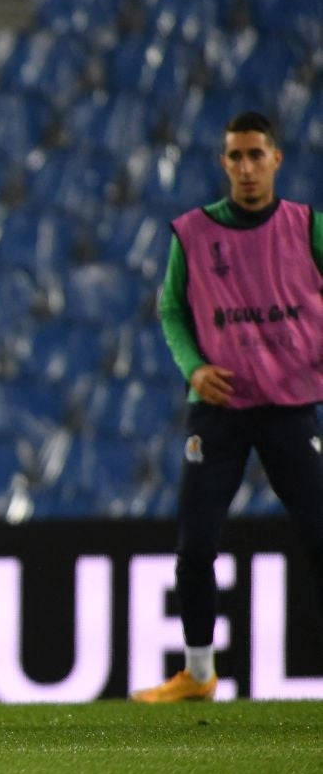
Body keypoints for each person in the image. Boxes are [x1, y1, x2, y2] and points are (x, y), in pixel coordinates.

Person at [134, 111, 323, 703]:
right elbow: (170, 309)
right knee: (195, 544)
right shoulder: (192, 233)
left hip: (291, 405)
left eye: (255, 155)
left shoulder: (307, 228)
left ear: (276, 160)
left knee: (320, 537)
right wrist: (193, 366)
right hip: (218, 408)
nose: (245, 167)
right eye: (235, 156)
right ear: (224, 163)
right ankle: (198, 671)